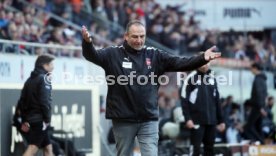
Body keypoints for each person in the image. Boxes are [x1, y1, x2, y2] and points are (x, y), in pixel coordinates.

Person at [81, 20, 221, 156]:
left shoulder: (154, 55)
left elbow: (180, 62)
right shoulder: (113, 54)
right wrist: (87, 43)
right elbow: (91, 56)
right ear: (126, 36)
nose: (139, 40)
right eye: (135, 37)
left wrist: (202, 58)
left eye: (142, 36)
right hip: (123, 118)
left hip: (148, 118)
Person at [14, 54, 55, 156]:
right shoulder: (44, 79)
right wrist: (47, 119)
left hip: (32, 120)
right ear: (45, 65)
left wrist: (25, 120)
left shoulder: (29, 80)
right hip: (40, 121)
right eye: (51, 64)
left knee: (48, 147)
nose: (53, 67)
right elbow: (45, 102)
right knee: (33, 148)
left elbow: (21, 102)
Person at [181, 64, 225, 156]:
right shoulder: (190, 78)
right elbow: (184, 99)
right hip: (196, 121)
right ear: (198, 62)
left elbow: (217, 100)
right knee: (195, 149)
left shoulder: (212, 78)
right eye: (202, 63)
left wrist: (221, 120)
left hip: (211, 121)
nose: (205, 65)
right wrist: (187, 118)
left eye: (207, 63)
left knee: (210, 149)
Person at [244, 62, 268, 144]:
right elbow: (264, 95)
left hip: (257, 107)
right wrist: (263, 107)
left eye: (251, 69)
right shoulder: (263, 79)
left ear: (255, 68)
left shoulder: (258, 79)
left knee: (248, 128)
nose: (251, 71)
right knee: (258, 126)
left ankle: (260, 141)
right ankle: (262, 145)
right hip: (260, 106)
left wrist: (261, 107)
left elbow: (259, 93)